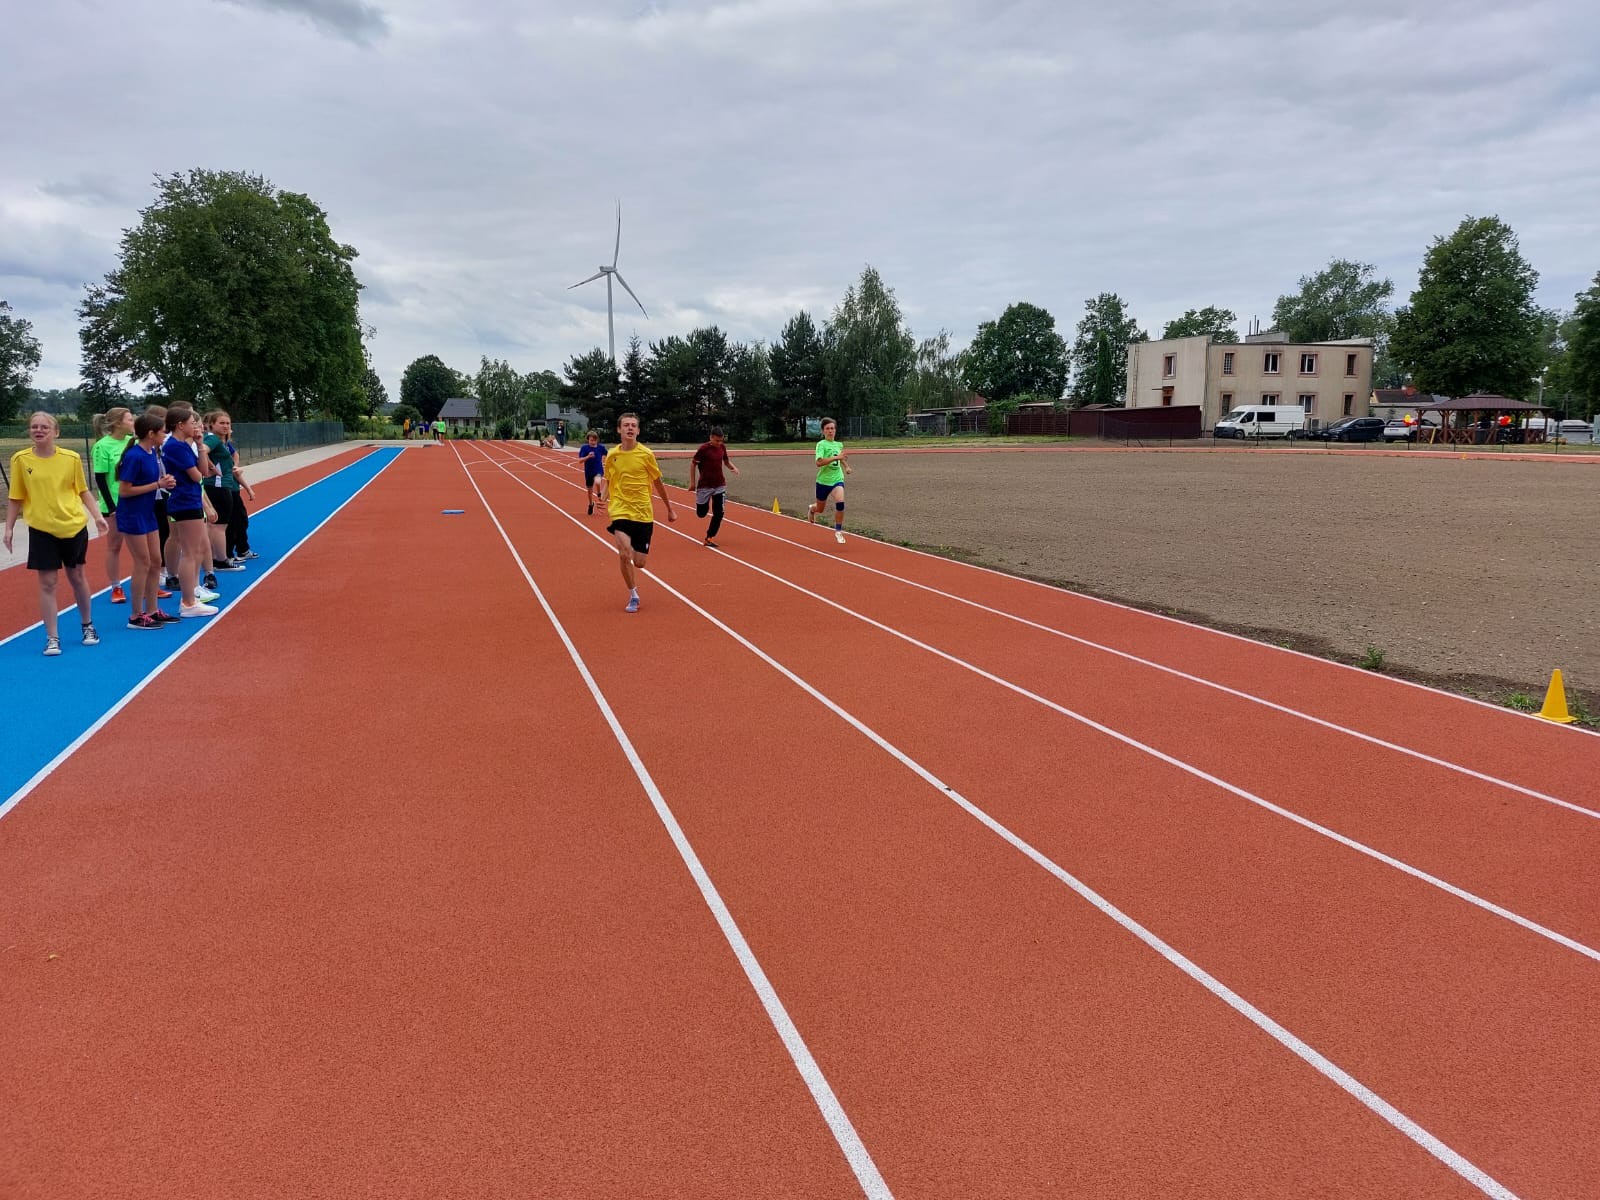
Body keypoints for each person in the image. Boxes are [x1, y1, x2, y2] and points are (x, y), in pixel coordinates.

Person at [4, 411, 109, 655]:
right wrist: (8, 528)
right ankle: (52, 637)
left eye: (44, 427)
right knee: (47, 583)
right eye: (34, 427)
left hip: (73, 526)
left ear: (56, 432)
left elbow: (82, 490)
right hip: (41, 528)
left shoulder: (71, 458)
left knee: (77, 577)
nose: (39, 430)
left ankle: (87, 625)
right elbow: (16, 496)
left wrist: (97, 516)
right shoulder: (20, 460)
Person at [603, 412, 676, 613]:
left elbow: (658, 482)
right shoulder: (612, 455)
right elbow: (609, 479)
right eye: (626, 425)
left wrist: (669, 509)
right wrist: (602, 497)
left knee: (639, 562)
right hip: (620, 509)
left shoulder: (646, 454)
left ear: (638, 431)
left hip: (643, 512)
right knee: (624, 553)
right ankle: (633, 594)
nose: (630, 428)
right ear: (619, 429)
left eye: (633, 425)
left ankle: (636, 561)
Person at [115, 413, 178, 628]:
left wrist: (164, 482)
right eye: (163, 432)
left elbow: (152, 482)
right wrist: (158, 485)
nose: (165, 435)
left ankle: (152, 609)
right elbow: (124, 491)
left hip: (147, 512)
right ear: (151, 434)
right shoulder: (135, 456)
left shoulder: (152, 453)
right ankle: (136, 615)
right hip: (132, 515)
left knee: (155, 561)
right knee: (142, 562)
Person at [160, 407, 218, 618]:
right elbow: (197, 476)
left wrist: (200, 445)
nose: (196, 426)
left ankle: (191, 597)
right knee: (190, 552)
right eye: (192, 423)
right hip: (185, 501)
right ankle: (188, 602)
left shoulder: (183, 445)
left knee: (196, 550)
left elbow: (203, 471)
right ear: (180, 425)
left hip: (189, 500)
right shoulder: (175, 447)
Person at [90, 406, 136, 603]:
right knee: (115, 545)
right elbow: (100, 479)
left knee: (140, 546)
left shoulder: (132, 442)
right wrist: (111, 507)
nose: (133, 422)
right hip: (115, 504)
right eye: (130, 419)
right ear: (118, 423)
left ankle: (146, 581)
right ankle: (116, 586)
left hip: (135, 501)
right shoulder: (102, 446)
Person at [202, 410, 249, 574]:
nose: (225, 426)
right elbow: (202, 450)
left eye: (228, 423)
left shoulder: (221, 441)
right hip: (218, 485)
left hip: (221, 485)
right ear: (212, 424)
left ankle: (215, 558)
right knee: (219, 526)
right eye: (221, 423)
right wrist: (210, 467)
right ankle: (221, 560)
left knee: (215, 524)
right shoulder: (213, 439)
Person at [687, 426, 740, 548]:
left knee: (719, 513)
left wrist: (733, 468)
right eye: (717, 441)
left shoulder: (722, 447)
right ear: (711, 437)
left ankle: (709, 537)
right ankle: (703, 506)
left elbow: (726, 461)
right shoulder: (703, 449)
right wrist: (693, 483)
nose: (719, 443)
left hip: (719, 485)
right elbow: (693, 464)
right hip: (704, 486)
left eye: (721, 441)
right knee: (701, 513)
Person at [804, 417, 851, 544]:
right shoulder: (821, 444)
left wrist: (846, 466)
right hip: (823, 481)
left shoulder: (839, 444)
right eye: (827, 429)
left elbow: (840, 458)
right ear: (823, 431)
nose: (830, 431)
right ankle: (812, 509)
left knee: (840, 502)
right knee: (820, 509)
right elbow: (819, 462)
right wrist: (835, 457)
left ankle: (838, 531)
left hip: (837, 479)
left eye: (832, 428)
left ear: (835, 430)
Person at [576, 429, 607, 515]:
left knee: (597, 480)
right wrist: (588, 456)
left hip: (598, 469)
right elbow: (580, 461)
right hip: (589, 471)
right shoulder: (584, 448)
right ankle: (590, 504)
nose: (593, 442)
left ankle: (599, 493)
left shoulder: (601, 448)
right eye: (591, 440)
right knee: (589, 490)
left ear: (597, 440)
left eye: (594, 440)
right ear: (588, 440)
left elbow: (608, 454)